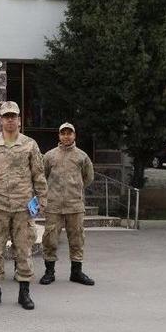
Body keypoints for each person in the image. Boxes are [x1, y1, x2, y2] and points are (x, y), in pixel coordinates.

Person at [0, 101, 48, 310]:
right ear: (0, 120)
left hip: (23, 206)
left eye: (13, 116)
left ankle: (24, 292)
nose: (10, 119)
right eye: (6, 116)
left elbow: (39, 175)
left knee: (23, 250)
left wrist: (42, 200)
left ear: (19, 120)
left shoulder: (30, 144)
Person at [40, 122, 95, 286]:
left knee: (77, 238)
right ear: (59, 136)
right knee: (50, 239)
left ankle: (76, 272)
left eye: (69, 133)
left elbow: (88, 177)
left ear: (74, 135)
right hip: (54, 205)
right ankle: (49, 272)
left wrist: (76, 189)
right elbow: (42, 176)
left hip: (75, 205)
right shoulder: (49, 156)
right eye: (63, 133)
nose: (66, 136)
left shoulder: (82, 156)